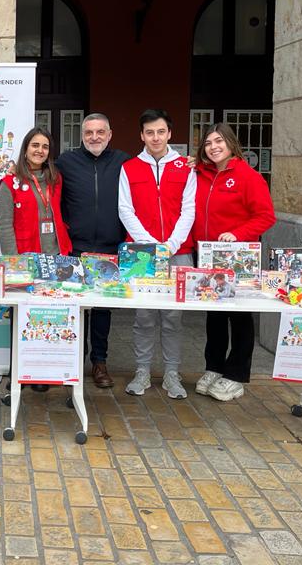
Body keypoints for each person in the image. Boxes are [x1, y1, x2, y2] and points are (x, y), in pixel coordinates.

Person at [190, 123, 275, 402]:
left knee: (239, 317)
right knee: (214, 316)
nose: (213, 147)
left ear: (230, 143)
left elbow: (265, 216)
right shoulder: (200, 173)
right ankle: (214, 367)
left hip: (236, 259)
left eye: (219, 141)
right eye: (208, 143)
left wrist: (237, 234)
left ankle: (236, 374)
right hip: (206, 257)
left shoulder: (247, 176)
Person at [118, 108, 196, 399]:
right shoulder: (129, 168)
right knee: (144, 316)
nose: (155, 137)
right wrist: (149, 243)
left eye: (160, 131)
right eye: (149, 132)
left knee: (174, 317)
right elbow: (125, 209)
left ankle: (172, 374)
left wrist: (171, 244)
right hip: (142, 254)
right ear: (142, 135)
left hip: (179, 252)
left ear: (169, 134)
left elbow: (189, 209)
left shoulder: (185, 167)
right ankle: (142, 371)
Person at [55, 113, 130, 388]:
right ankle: (73, 360)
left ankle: (100, 363)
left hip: (110, 248)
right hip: (76, 248)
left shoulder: (124, 162)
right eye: (89, 133)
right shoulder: (66, 162)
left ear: (109, 134)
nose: (94, 137)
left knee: (102, 310)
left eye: (100, 132)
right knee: (74, 307)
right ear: (82, 135)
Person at [0, 126, 72, 393]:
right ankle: (16, 373)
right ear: (25, 149)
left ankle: (42, 374)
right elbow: (5, 225)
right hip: (24, 260)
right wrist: (13, 263)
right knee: (20, 318)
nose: (39, 151)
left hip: (54, 258)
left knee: (48, 319)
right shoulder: (9, 182)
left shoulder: (55, 179)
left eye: (45, 147)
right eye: (35, 146)